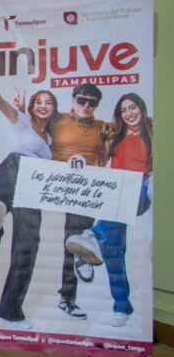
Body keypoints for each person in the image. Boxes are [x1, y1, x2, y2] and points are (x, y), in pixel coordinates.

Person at [65, 93, 152, 328]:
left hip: (141, 189)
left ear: (142, 108)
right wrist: (104, 140)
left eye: (133, 107)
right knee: (114, 251)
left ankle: (93, 236)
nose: (129, 113)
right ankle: (122, 306)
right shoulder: (116, 135)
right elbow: (102, 163)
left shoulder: (152, 130)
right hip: (116, 190)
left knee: (107, 232)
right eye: (124, 110)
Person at [0, 79, 59, 330]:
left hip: (33, 187)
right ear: (32, 105)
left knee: (28, 245)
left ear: (54, 108)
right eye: (39, 101)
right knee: (5, 194)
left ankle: (10, 312)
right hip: (14, 168)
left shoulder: (50, 139)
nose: (43, 105)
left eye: (48, 102)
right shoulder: (21, 120)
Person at [48, 83, 106, 320]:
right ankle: (68, 296)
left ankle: (68, 296)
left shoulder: (103, 127)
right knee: (71, 239)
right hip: (57, 185)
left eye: (92, 103)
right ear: (72, 99)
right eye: (82, 100)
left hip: (89, 188)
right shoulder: (57, 120)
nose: (86, 106)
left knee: (76, 237)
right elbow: (30, 122)